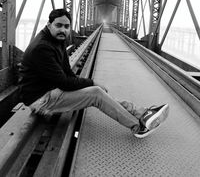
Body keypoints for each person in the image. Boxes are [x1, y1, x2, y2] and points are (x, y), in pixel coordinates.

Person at [18, 8, 169, 138]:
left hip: (50, 89)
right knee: (96, 93)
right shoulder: (42, 48)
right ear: (49, 25)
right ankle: (138, 127)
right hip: (41, 99)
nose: (63, 30)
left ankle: (140, 112)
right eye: (58, 25)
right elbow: (64, 82)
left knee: (96, 91)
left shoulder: (57, 40)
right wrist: (92, 83)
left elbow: (67, 73)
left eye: (66, 26)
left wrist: (84, 85)